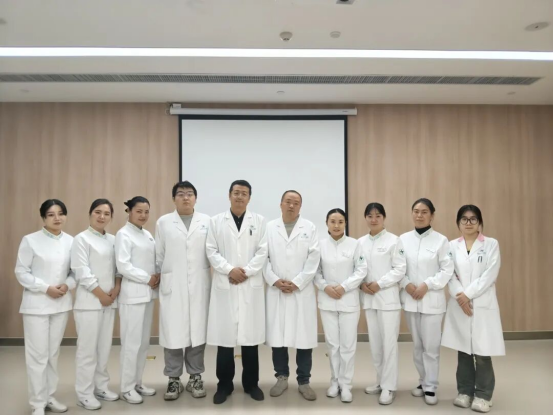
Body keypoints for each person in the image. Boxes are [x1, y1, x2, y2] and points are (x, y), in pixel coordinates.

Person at [206, 180, 268, 404]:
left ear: (249, 197)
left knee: (250, 340)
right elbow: (211, 250)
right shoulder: (215, 221)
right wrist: (229, 270)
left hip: (249, 285)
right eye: (236, 193)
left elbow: (263, 251)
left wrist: (246, 272)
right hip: (226, 283)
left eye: (244, 193)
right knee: (225, 340)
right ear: (229, 195)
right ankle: (224, 385)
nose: (240, 196)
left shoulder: (260, 221)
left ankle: (252, 384)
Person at [15, 199, 75, 415]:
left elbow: (75, 271)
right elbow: (21, 272)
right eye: (51, 214)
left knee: (52, 354)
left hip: (60, 304)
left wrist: (67, 285)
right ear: (43, 218)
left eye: (61, 213)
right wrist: (45, 288)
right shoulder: (30, 240)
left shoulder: (71, 241)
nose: (57, 218)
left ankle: (50, 397)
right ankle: (38, 403)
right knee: (37, 356)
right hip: (36, 306)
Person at [442, 205, 504, 413]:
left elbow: (490, 274)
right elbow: (449, 274)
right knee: (464, 351)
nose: (468, 223)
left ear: (480, 222)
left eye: (473, 219)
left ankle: (484, 395)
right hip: (460, 303)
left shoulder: (491, 244)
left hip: (481, 303)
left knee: (483, 352)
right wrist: (461, 296)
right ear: (458, 223)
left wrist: (467, 295)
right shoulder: (451, 246)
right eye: (464, 219)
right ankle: (465, 392)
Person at [155, 181, 211, 401]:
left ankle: (195, 376)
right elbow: (159, 254)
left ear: (196, 198)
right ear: (174, 199)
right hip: (173, 284)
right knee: (173, 333)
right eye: (180, 194)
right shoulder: (163, 222)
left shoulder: (206, 221)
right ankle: (173, 378)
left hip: (199, 284)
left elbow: (212, 252)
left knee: (197, 332)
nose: (185, 197)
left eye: (189, 194)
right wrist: (162, 275)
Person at [265, 190, 321, 401]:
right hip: (276, 290)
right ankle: (281, 377)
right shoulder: (269, 227)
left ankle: (304, 381)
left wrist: (297, 282)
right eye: (288, 201)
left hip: (301, 291)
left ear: (300, 206)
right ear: (280, 204)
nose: (291, 205)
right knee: (278, 337)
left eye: (296, 202)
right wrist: (274, 280)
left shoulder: (310, 228)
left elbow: (313, 258)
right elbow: (263, 257)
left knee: (303, 338)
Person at [399, 198, 454, 405]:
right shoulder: (403, 239)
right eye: (416, 211)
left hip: (431, 300)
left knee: (431, 347)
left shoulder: (441, 240)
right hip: (410, 299)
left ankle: (431, 386)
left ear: (432, 215)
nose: (419, 215)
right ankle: (422, 381)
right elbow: (397, 267)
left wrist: (426, 285)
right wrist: (406, 284)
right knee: (417, 346)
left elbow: (446, 269)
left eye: (424, 212)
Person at [72, 199, 121, 410]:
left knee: (103, 348)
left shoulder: (113, 240)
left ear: (111, 217)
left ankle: (101, 387)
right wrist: (101, 295)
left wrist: (116, 289)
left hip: (109, 301)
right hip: (89, 302)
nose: (102, 217)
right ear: (90, 213)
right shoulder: (81, 239)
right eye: (98, 212)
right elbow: (81, 272)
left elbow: (118, 268)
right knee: (87, 350)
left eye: (106, 214)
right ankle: (84, 393)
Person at [315, 208, 366, 403]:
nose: (336, 225)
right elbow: (315, 271)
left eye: (340, 222)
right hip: (327, 301)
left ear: (345, 223)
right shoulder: (319, 245)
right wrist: (325, 287)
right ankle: (334, 381)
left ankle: (346, 385)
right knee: (332, 344)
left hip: (348, 300)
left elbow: (361, 270)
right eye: (333, 221)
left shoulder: (355, 244)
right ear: (326, 223)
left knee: (347, 345)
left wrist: (344, 287)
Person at [358, 203, 406, 405]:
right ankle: (380, 381)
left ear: (384, 218)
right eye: (370, 215)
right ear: (365, 218)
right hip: (369, 300)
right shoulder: (360, 242)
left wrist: (380, 283)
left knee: (389, 344)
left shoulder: (394, 241)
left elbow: (400, 269)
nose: (374, 219)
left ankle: (389, 386)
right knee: (376, 344)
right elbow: (357, 268)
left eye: (378, 215)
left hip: (388, 300)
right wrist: (361, 284)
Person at [115, 196, 159, 404]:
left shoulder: (147, 235)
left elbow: (153, 261)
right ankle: (126, 387)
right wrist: (147, 278)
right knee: (131, 344)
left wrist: (156, 275)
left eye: (146, 212)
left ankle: (137, 382)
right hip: (132, 296)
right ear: (129, 211)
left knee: (142, 343)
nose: (143, 215)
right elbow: (123, 266)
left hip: (147, 294)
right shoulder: (123, 234)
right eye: (139, 211)